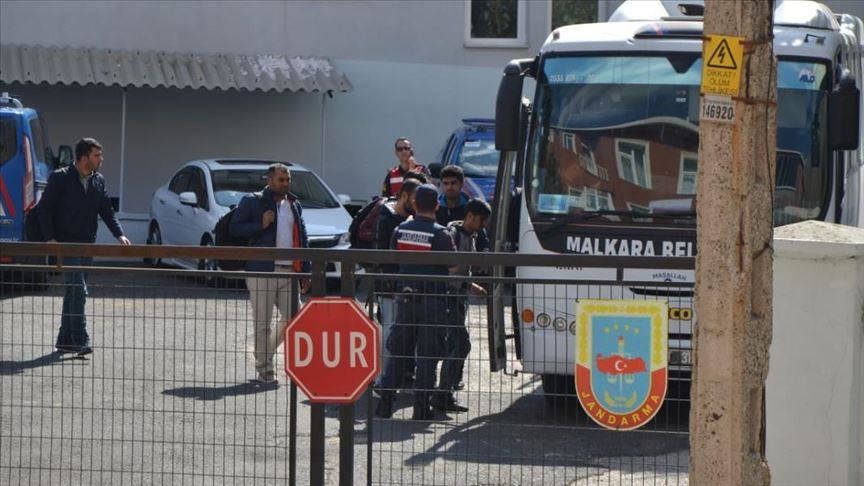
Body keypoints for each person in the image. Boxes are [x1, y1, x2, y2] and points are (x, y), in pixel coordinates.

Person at [39, 138, 131, 356]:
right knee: (79, 289)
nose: (101, 159)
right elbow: (44, 209)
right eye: (97, 155)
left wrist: (119, 234)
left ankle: (65, 340)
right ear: (83, 158)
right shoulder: (60, 178)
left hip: (87, 245)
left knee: (73, 291)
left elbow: (107, 211)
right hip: (66, 244)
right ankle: (81, 339)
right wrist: (50, 238)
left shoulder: (98, 180)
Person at [376, 184, 455, 420]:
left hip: (406, 298)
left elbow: (392, 259)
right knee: (427, 356)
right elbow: (453, 264)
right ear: (437, 205)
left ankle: (385, 404)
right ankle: (421, 407)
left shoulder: (400, 230)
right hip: (433, 300)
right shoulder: (441, 234)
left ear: (414, 203)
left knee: (399, 353)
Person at [229, 163, 310, 384]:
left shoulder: (294, 204)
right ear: (269, 180)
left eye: (288, 180)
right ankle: (265, 369)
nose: (285, 184)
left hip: (289, 271)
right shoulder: (252, 201)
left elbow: (302, 237)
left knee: (294, 318)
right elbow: (235, 229)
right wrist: (260, 224)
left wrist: (306, 271)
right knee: (262, 323)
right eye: (281, 180)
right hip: (261, 270)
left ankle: (264, 353)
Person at [437, 199, 492, 412]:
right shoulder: (454, 235)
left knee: (455, 344)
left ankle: (445, 394)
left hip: (458, 297)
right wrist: (468, 284)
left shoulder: (471, 235)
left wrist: (470, 285)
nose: (483, 225)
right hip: (449, 297)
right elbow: (450, 271)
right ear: (470, 216)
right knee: (460, 344)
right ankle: (442, 394)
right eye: (481, 220)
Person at [373, 178, 419, 386]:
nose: (417, 204)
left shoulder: (411, 218)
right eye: (415, 199)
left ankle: (398, 376)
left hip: (405, 285)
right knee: (389, 329)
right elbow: (380, 254)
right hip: (389, 286)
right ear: (404, 196)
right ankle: (381, 377)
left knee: (403, 332)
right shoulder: (386, 218)